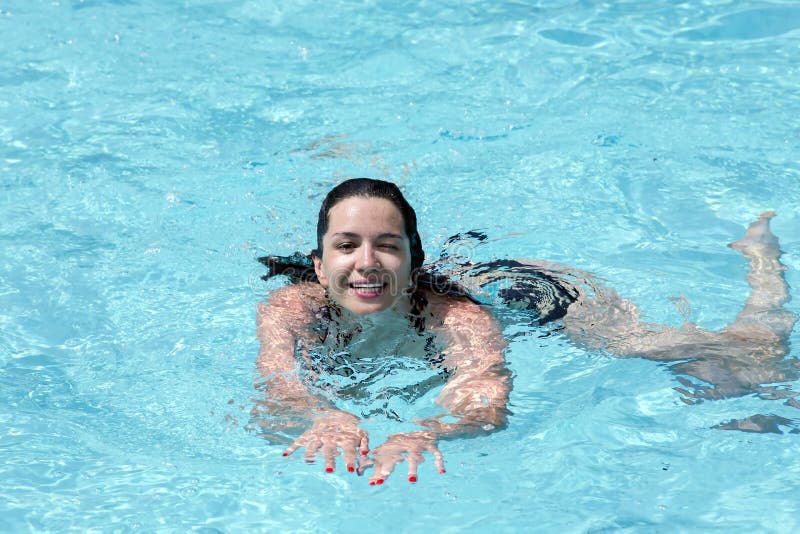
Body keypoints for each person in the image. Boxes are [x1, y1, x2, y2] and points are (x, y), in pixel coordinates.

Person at [253, 178, 797, 485]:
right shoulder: (291, 311)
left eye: (387, 246)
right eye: (346, 245)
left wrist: (430, 430)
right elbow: (278, 387)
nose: (367, 262)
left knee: (729, 357)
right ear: (319, 265)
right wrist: (321, 413)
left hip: (521, 293)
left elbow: (484, 399)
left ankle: (764, 268)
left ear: (413, 261)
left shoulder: (460, 319)